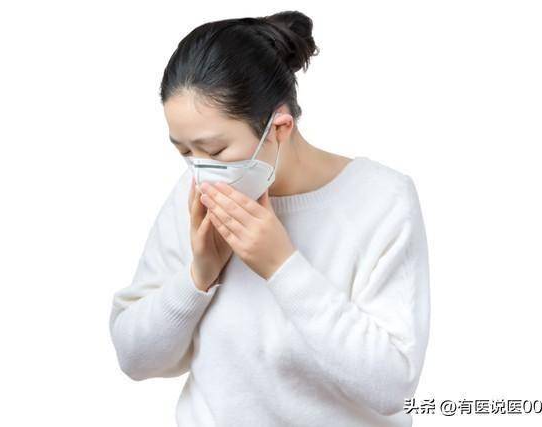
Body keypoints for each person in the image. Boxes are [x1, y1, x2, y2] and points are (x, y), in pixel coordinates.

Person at [109, 10, 430, 427]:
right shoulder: (192, 197)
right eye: (185, 152)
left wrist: (281, 265)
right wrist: (199, 276)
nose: (201, 171)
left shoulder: (381, 200)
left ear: (279, 128)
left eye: (216, 150)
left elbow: (391, 385)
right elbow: (134, 358)